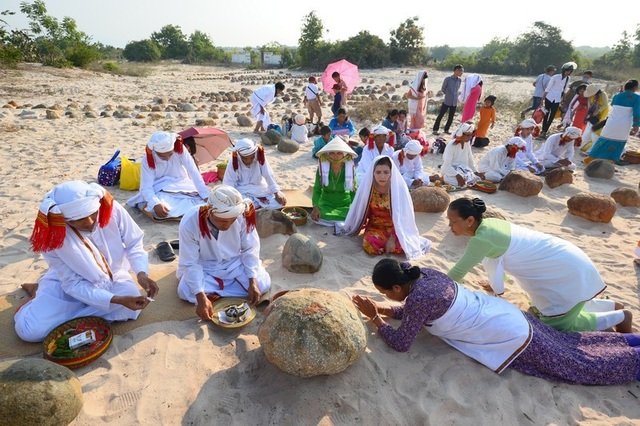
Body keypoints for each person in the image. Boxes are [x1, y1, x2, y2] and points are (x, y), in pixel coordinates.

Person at [352, 258, 640, 385]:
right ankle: (631, 340)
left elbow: (402, 343)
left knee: (579, 366)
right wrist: (384, 309)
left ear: (398, 289)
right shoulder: (425, 274)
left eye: (385, 293)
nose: (388, 297)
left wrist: (376, 318)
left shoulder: (416, 300)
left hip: (510, 336)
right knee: (570, 345)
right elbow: (417, 312)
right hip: (505, 314)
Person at [446, 197, 632, 333]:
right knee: (563, 303)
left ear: (470, 220)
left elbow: (459, 271)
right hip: (565, 260)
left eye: (452, 221)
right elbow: (500, 257)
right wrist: (494, 282)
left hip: (564, 269)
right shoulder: (490, 224)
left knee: (558, 326)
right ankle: (610, 306)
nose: (449, 226)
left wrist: (437, 289)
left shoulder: (481, 239)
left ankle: (620, 317)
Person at [15, 181, 158, 342]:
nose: (89, 222)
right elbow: (72, 284)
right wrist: (115, 300)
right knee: (31, 332)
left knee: (132, 309)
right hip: (68, 283)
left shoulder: (110, 207)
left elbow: (134, 243)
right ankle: (40, 294)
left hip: (113, 277)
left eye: (92, 214)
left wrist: (141, 274)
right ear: (63, 218)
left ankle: (56, 306)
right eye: (79, 219)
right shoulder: (51, 234)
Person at [177, 185, 271, 320]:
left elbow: (250, 249)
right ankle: (215, 293)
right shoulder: (190, 222)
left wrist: (252, 282)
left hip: (234, 264)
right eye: (222, 221)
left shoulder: (242, 215)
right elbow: (190, 262)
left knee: (263, 284)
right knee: (185, 291)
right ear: (210, 213)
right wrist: (201, 297)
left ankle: (217, 293)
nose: (227, 225)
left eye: (232, 221)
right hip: (205, 267)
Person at [336, 156, 432, 259]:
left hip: (396, 228)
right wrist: (356, 226)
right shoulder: (368, 188)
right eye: (378, 172)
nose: (382, 176)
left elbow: (404, 218)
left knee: (404, 246)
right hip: (375, 227)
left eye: (386, 172)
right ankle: (384, 246)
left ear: (391, 173)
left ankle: (389, 244)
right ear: (373, 173)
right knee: (371, 245)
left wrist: (393, 238)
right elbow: (363, 211)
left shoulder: (398, 189)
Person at [126, 131, 210, 220]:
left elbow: (194, 172)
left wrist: (205, 195)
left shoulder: (180, 149)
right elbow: (146, 187)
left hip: (182, 184)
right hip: (159, 189)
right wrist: (156, 203)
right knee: (163, 211)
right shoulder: (147, 161)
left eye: (170, 154)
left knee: (202, 205)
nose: (167, 158)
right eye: (162, 156)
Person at [584, 79, 640, 164]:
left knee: (603, 139)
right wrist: (636, 126)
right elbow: (637, 112)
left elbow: (613, 104)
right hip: (624, 123)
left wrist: (621, 93)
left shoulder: (616, 96)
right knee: (618, 142)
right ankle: (611, 160)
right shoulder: (636, 98)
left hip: (611, 121)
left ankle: (590, 158)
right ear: (635, 87)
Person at [222, 138, 286, 209]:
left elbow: (268, 174)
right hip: (242, 191)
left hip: (259, 189)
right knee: (241, 206)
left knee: (278, 204)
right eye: (245, 158)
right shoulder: (233, 162)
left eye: (251, 157)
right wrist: (232, 198)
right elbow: (229, 183)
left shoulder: (260, 158)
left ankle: (256, 205)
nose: (248, 160)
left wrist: (276, 192)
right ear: (239, 155)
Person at [311, 137, 357, 225]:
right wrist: (315, 208)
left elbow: (353, 192)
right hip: (325, 203)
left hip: (344, 204)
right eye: (332, 153)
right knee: (320, 214)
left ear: (344, 154)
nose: (335, 156)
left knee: (350, 214)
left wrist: (353, 209)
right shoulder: (321, 169)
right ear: (328, 155)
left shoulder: (349, 169)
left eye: (339, 153)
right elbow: (317, 189)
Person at [540, 62, 575, 137]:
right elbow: (548, 88)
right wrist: (542, 99)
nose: (568, 72)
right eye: (567, 70)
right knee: (546, 114)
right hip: (549, 97)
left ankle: (545, 131)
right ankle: (543, 130)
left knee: (552, 116)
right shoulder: (555, 77)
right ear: (564, 70)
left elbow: (565, 90)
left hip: (557, 99)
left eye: (570, 71)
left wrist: (564, 100)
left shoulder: (568, 79)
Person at [441, 122, 481, 186]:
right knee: (459, 182)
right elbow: (446, 165)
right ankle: (442, 178)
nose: (470, 137)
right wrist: (457, 175)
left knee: (476, 179)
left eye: (471, 135)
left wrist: (475, 171)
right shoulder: (451, 145)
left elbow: (470, 158)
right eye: (467, 135)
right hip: (450, 170)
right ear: (462, 135)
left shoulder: (467, 143)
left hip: (463, 170)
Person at [432, 64, 464, 135]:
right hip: (447, 100)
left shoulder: (459, 80)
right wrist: (448, 94)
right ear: (456, 71)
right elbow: (443, 89)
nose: (462, 73)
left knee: (451, 117)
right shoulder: (448, 79)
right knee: (441, 115)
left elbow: (457, 89)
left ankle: (446, 129)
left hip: (454, 101)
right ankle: (435, 129)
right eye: (461, 71)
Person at [580, 84, 610, 152]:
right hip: (594, 112)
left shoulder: (603, 94)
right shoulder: (591, 96)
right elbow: (590, 105)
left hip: (602, 111)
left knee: (597, 126)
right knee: (590, 126)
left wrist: (598, 111)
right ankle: (587, 144)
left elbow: (605, 104)